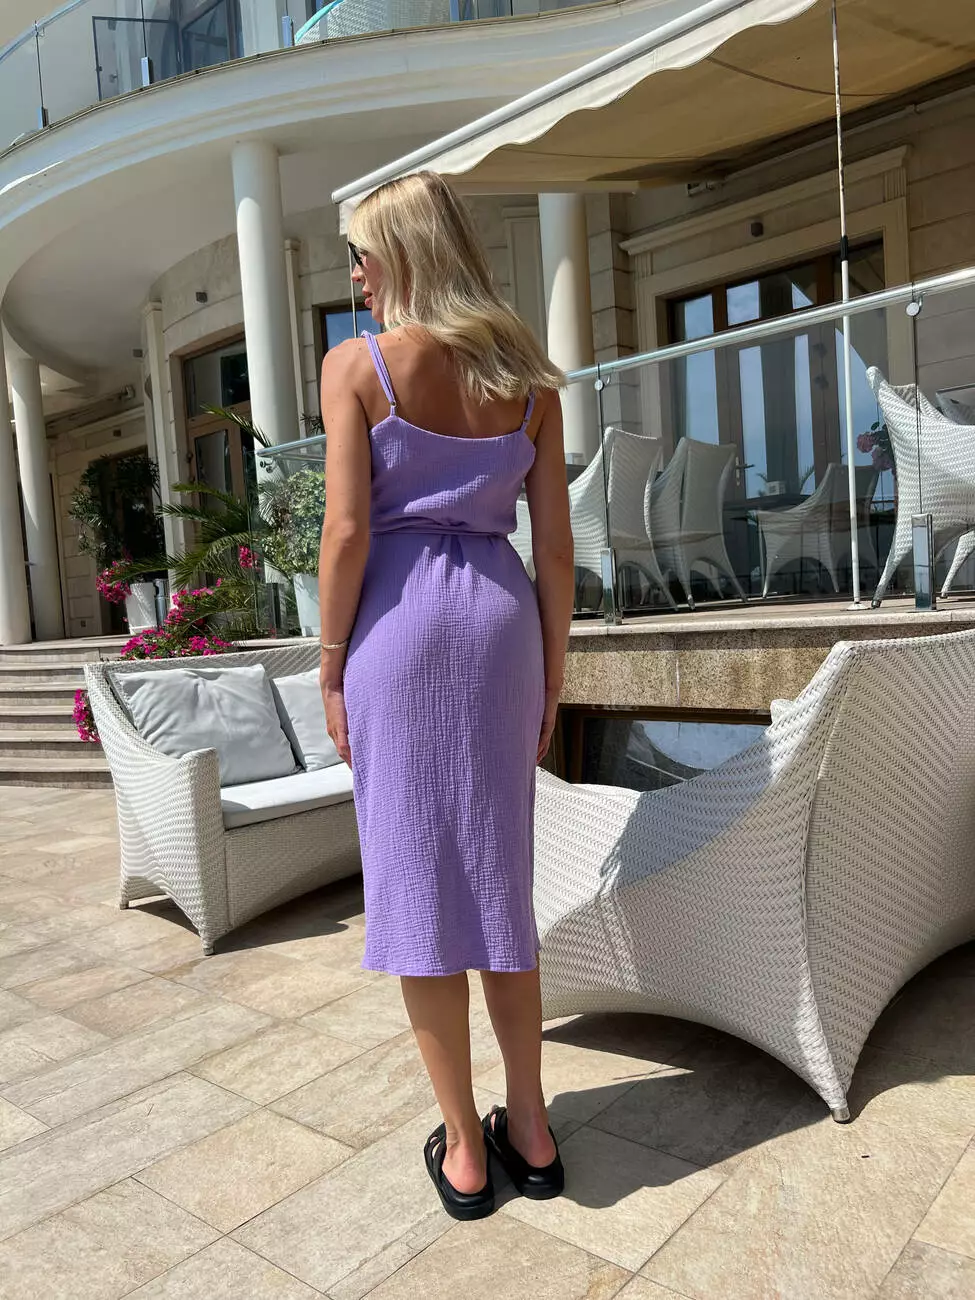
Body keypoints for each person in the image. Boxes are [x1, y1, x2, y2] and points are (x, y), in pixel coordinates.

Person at [317, 171, 575, 1221]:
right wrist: (552, 672)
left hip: (399, 635)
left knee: (421, 894)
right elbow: (556, 549)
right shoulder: (530, 379)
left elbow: (346, 533)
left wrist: (328, 663)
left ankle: (467, 1152)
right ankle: (535, 1132)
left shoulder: (358, 366)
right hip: (502, 630)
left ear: (400, 255)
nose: (354, 276)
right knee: (500, 888)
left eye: (360, 255)